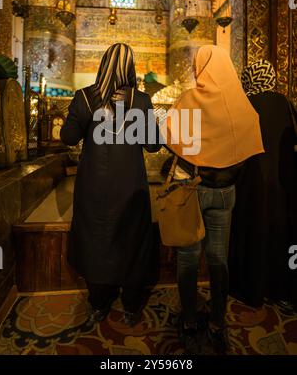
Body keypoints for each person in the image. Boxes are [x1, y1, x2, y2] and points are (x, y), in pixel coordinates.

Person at [161, 45, 264, 354]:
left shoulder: (190, 100)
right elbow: (249, 138)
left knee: (189, 258)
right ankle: (219, 321)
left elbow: (171, 139)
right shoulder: (239, 103)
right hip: (225, 192)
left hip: (192, 191)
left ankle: (190, 320)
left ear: (201, 67)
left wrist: (198, 152)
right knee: (219, 257)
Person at [60, 43, 161, 327]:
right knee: (131, 239)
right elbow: (153, 145)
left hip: (93, 186)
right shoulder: (140, 101)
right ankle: (130, 306)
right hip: (130, 186)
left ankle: (98, 304)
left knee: (95, 238)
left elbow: (68, 137)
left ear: (103, 64)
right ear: (130, 67)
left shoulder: (84, 98)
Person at [228, 60, 297, 311]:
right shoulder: (286, 104)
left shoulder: (244, 105)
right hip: (283, 185)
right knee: (282, 235)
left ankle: (252, 290)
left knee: (253, 233)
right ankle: (282, 291)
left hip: (252, 184)